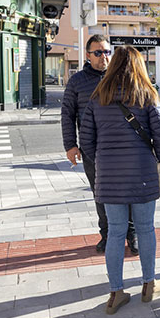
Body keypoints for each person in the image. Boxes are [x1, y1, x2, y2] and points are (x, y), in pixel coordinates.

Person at [79, 45, 160, 314]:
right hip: (142, 173)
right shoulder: (146, 94)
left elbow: (86, 138)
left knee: (116, 233)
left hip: (108, 176)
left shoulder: (98, 96)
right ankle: (148, 285)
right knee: (145, 229)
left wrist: (103, 162)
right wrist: (153, 157)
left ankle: (116, 292)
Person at [62, 35, 138, 255]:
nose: (103, 57)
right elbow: (67, 114)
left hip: (122, 148)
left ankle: (131, 235)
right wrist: (70, 145)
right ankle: (106, 234)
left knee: (128, 192)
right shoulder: (77, 82)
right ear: (88, 55)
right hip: (92, 150)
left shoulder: (122, 77)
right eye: (98, 53)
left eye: (106, 52)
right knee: (100, 193)